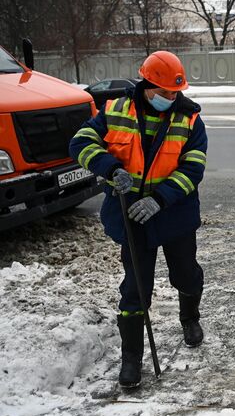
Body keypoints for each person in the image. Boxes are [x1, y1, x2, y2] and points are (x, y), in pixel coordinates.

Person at [69, 51, 207, 387]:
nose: (170, 99)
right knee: (135, 288)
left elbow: (193, 169)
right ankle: (131, 358)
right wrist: (111, 169)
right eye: (163, 92)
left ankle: (189, 316)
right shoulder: (115, 110)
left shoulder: (189, 119)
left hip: (174, 214)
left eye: (175, 93)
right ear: (146, 84)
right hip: (131, 216)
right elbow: (80, 142)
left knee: (186, 274)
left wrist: (160, 199)